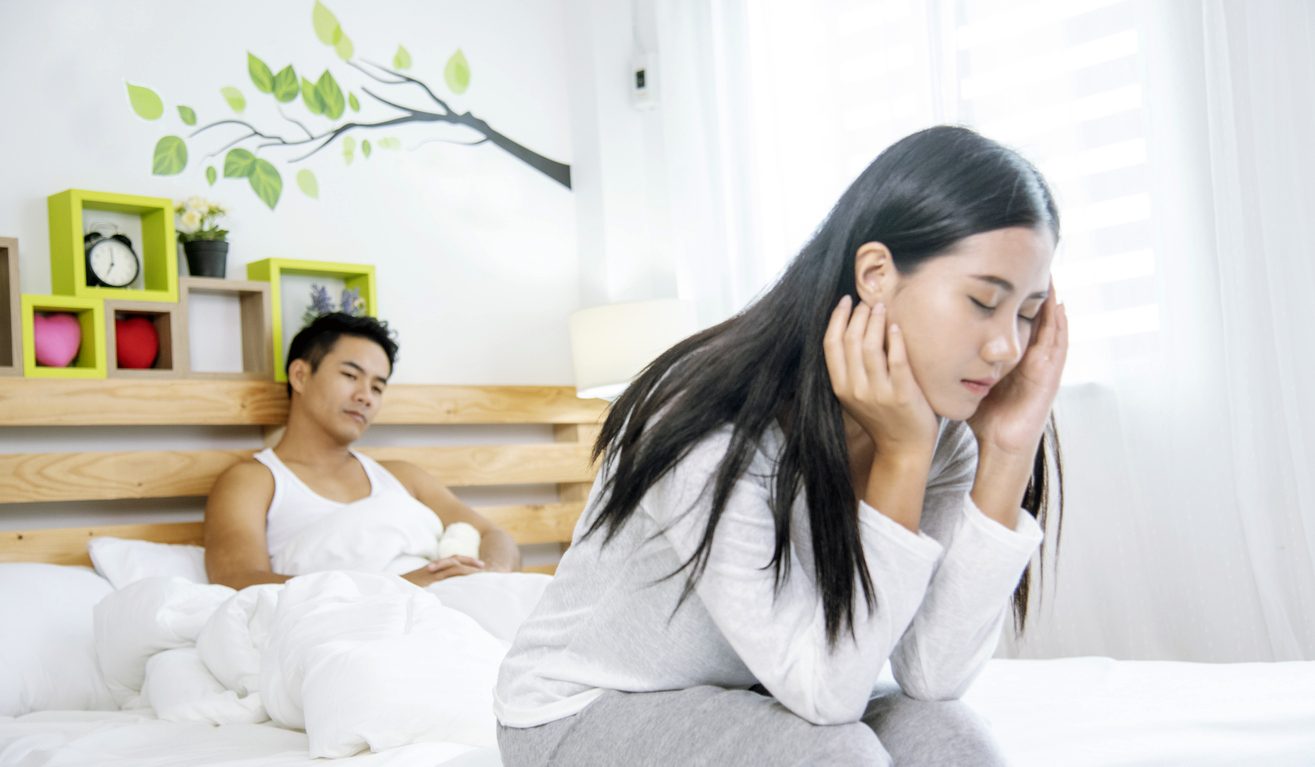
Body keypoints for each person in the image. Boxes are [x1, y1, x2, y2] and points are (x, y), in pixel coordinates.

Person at [493, 125, 1067, 766]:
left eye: (1026, 312)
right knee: (839, 757)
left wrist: (1009, 451)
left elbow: (933, 675)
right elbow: (830, 697)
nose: (1007, 348)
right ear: (875, 273)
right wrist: (901, 456)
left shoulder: (944, 433)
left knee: (954, 744)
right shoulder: (707, 421)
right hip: (579, 713)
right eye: (983, 302)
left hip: (764, 688)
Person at [204, 312, 521, 590]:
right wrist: (390, 588)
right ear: (300, 375)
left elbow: (495, 536)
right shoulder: (254, 481)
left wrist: (490, 578)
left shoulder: (403, 477)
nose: (366, 396)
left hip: (448, 607)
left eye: (377, 387)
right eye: (350, 376)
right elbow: (237, 580)